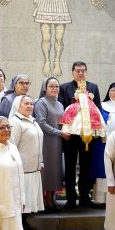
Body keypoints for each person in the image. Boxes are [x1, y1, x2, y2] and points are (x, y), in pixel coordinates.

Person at [59, 61, 101, 208]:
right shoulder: (64, 88)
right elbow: (61, 109)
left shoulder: (93, 87)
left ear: (86, 72)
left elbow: (98, 109)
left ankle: (84, 197)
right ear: (72, 72)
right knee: (70, 167)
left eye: (83, 70)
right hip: (71, 135)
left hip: (88, 136)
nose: (80, 73)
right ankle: (70, 199)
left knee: (86, 166)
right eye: (77, 71)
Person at [89, 82, 115, 203]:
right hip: (102, 143)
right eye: (112, 90)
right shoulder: (102, 106)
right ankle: (101, 199)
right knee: (102, 169)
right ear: (109, 92)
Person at [9, 95, 44, 230]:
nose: (29, 106)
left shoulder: (33, 121)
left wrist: (40, 161)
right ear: (18, 105)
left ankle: (25, 225)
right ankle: (21, 229)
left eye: (31, 103)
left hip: (33, 170)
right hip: (22, 170)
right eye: (26, 104)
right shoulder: (15, 122)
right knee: (22, 203)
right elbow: (11, 146)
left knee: (28, 203)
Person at [34, 77, 67, 212]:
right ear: (45, 88)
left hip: (58, 142)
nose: (54, 89)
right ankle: (45, 201)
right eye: (51, 86)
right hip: (46, 142)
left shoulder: (60, 104)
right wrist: (60, 133)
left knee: (56, 171)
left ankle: (52, 200)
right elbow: (41, 123)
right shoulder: (41, 103)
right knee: (47, 172)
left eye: (56, 86)